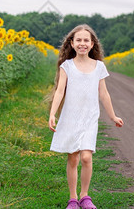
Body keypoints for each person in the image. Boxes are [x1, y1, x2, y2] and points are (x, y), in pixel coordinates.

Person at [48, 24, 124, 209]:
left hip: (90, 118)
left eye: (86, 40)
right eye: (78, 40)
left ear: (92, 44)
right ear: (72, 44)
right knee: (73, 158)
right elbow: (59, 92)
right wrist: (52, 113)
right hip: (71, 118)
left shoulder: (99, 66)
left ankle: (85, 196)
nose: (82, 43)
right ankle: (73, 198)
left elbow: (104, 94)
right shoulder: (67, 66)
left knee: (86, 158)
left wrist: (112, 116)